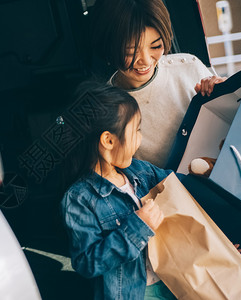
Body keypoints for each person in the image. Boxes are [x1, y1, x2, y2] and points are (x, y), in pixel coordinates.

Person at [61, 83, 175, 300]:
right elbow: (87, 263)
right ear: (109, 140)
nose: (140, 138)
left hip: (175, 280)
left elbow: (182, 192)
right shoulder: (78, 199)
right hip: (137, 294)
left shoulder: (142, 171)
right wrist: (138, 226)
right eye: (136, 130)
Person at [90, 0, 226, 168]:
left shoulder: (189, 67)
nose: (146, 61)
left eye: (156, 46)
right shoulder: (103, 108)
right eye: (130, 52)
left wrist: (226, 92)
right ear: (108, 47)